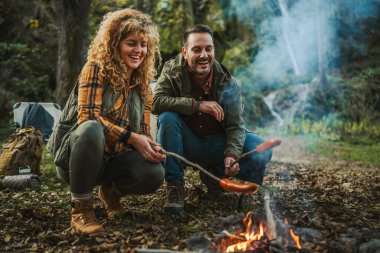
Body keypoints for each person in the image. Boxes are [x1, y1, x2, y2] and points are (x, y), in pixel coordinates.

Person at [48, 9, 165, 235]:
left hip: (112, 162)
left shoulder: (142, 84)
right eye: (131, 43)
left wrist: (149, 146)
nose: (139, 50)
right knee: (91, 128)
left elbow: (142, 132)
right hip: (76, 160)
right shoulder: (95, 69)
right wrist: (131, 138)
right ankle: (81, 210)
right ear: (114, 43)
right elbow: (87, 117)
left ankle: (111, 192)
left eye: (144, 45)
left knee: (155, 172)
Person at [152, 24, 272, 214]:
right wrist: (197, 105)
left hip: (217, 144)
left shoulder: (229, 82)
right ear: (185, 52)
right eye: (196, 49)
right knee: (167, 117)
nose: (204, 55)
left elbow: (235, 126)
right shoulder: (172, 70)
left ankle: (221, 178)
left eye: (208, 49)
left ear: (213, 50)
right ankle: (175, 188)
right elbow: (156, 102)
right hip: (186, 143)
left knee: (262, 148)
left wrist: (232, 155)